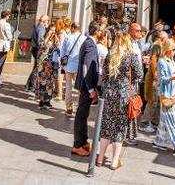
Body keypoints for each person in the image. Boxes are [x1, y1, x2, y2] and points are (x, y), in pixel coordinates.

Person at [96, 31, 144, 169]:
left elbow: (104, 76)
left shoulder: (110, 55)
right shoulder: (131, 56)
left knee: (106, 126)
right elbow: (139, 75)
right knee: (120, 128)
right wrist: (128, 83)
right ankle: (114, 161)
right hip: (123, 95)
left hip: (109, 95)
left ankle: (99, 159)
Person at [72, 21, 100, 158]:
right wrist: (91, 89)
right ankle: (77, 145)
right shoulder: (90, 44)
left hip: (85, 85)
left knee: (83, 114)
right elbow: (86, 68)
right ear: (98, 32)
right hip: (85, 86)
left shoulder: (88, 42)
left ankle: (82, 141)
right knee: (81, 115)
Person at [61, 23, 85, 117]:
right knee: (79, 88)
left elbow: (63, 52)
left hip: (69, 66)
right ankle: (80, 107)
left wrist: (63, 64)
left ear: (73, 28)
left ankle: (69, 108)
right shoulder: (83, 38)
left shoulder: (68, 37)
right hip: (78, 67)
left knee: (68, 87)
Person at [35, 26, 60, 110]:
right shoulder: (43, 40)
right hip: (43, 65)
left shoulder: (55, 40)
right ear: (48, 30)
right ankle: (41, 101)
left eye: (54, 30)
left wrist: (56, 40)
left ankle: (47, 101)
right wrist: (47, 38)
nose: (53, 32)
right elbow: (41, 50)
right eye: (51, 30)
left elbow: (58, 50)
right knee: (42, 83)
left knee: (50, 83)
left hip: (51, 66)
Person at [140, 42, 162, 134]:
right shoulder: (157, 47)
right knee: (152, 101)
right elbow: (153, 60)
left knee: (156, 102)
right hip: (153, 79)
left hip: (155, 78)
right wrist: (156, 76)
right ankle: (144, 123)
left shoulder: (159, 47)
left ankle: (154, 123)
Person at [26, 15, 50, 92]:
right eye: (47, 21)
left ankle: (29, 85)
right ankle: (32, 86)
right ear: (45, 21)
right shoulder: (41, 28)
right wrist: (44, 47)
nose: (48, 22)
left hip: (34, 48)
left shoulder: (36, 26)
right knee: (37, 68)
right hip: (38, 49)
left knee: (35, 67)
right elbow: (40, 41)